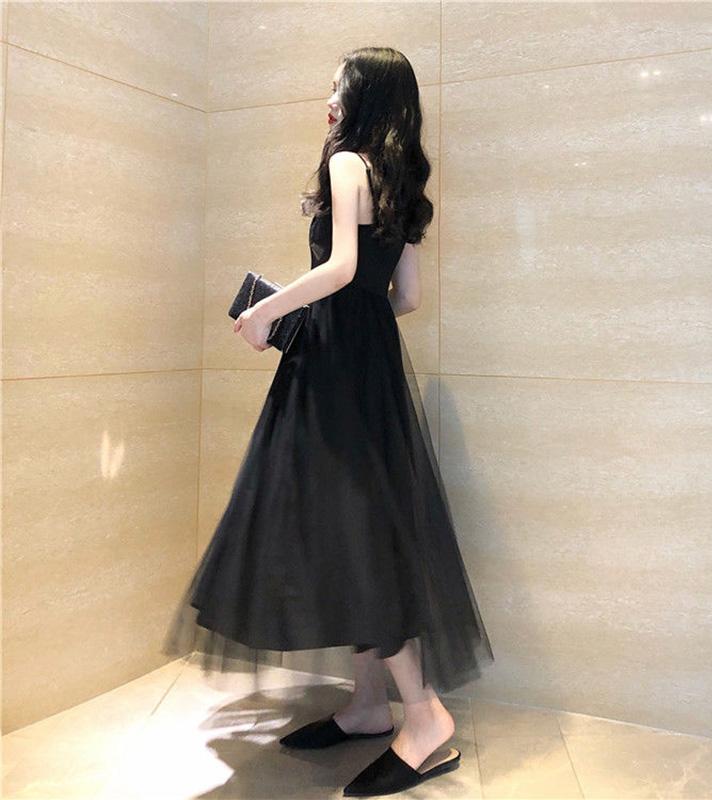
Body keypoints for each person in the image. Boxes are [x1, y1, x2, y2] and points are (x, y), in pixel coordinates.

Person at [162, 46, 494, 796]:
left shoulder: (347, 163)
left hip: (336, 371)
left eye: (338, 85)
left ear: (363, 96)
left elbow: (341, 267)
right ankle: (370, 705)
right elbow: (404, 297)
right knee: (356, 526)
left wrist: (266, 312)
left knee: (354, 531)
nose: (328, 97)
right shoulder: (401, 181)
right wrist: (343, 321)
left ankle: (424, 718)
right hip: (368, 366)